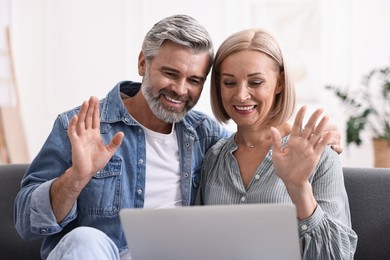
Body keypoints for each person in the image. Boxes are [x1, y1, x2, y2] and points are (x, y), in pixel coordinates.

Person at [14, 15, 342, 260]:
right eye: (170, 73)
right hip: (99, 254)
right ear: (143, 63)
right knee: (85, 239)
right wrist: (76, 178)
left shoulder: (205, 137)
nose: (181, 90)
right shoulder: (82, 127)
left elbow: (253, 134)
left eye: (195, 79)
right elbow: (25, 222)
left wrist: (316, 136)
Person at [196, 28, 358, 259]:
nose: (241, 95)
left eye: (256, 82)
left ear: (280, 83)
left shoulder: (319, 155)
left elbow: (339, 256)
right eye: (229, 83)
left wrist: (299, 188)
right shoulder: (213, 157)